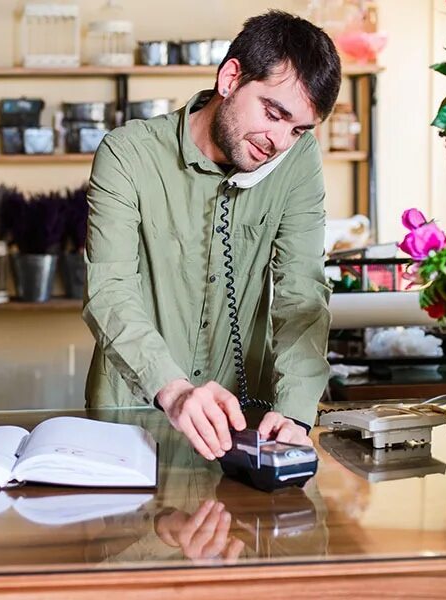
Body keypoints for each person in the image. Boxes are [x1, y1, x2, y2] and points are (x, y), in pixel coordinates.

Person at [83, 10, 340, 461]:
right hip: (134, 417)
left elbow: (302, 291)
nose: (280, 141)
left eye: (298, 129)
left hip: (244, 428)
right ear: (230, 78)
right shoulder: (127, 154)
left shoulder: (298, 161)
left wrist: (296, 413)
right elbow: (109, 291)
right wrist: (175, 390)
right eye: (273, 113)